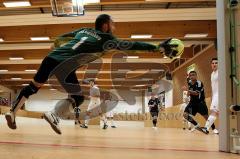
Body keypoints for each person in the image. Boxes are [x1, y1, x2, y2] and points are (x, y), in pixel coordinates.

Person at [5, 14, 177, 135]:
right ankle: (54, 114)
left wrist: (56, 45)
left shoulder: (83, 30)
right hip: (66, 65)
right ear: (105, 26)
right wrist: (156, 47)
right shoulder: (106, 39)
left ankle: (12, 112)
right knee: (78, 97)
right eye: (113, 24)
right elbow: (132, 44)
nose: (114, 27)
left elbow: (63, 37)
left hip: (50, 58)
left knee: (34, 86)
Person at [202, 58, 219, 134]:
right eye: (213, 63)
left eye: (216, 63)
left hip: (220, 95)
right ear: (211, 65)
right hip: (215, 96)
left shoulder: (220, 72)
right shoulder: (212, 74)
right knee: (217, 113)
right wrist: (212, 97)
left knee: (213, 111)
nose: (214, 64)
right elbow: (213, 87)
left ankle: (206, 128)